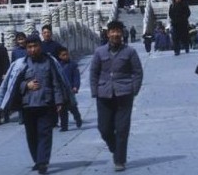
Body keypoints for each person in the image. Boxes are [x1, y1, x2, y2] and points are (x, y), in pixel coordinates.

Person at [90, 20, 143, 172]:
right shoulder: (99, 52)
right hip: (104, 94)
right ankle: (114, 147)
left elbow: (137, 72)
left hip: (124, 94)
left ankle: (120, 160)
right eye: (112, 31)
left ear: (122, 33)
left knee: (122, 128)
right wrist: (95, 91)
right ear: (107, 34)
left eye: (118, 31)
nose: (115, 34)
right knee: (104, 129)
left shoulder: (130, 52)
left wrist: (134, 89)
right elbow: (94, 72)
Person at [19, 35, 67, 174]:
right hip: (28, 105)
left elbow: (56, 82)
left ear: (40, 46)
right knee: (31, 135)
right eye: (29, 47)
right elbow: (15, 84)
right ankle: (37, 159)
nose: (33, 50)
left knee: (45, 134)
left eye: (35, 46)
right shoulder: (21, 64)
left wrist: (58, 101)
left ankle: (43, 162)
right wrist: (26, 85)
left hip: (46, 103)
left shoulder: (49, 62)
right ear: (26, 49)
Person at [56, 46, 83, 131]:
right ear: (59, 56)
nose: (66, 56)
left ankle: (78, 118)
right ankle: (64, 126)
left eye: (67, 54)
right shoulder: (57, 66)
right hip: (61, 91)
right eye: (63, 55)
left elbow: (76, 77)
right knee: (62, 110)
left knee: (72, 106)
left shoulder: (73, 65)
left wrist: (76, 86)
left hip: (70, 90)